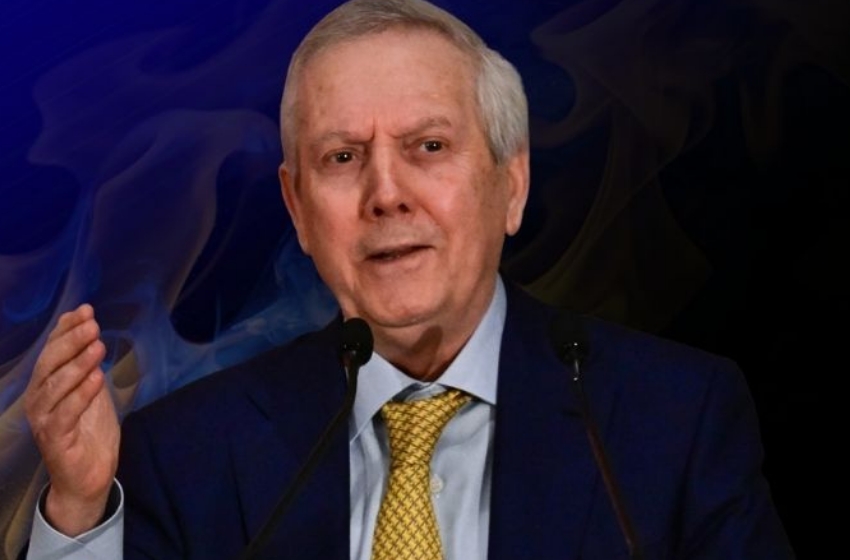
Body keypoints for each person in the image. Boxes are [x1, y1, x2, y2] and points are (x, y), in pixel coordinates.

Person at [21, 0, 795, 558]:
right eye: (343, 157)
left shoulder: (675, 420)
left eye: (428, 146)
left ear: (512, 183)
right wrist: (81, 513)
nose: (386, 194)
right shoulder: (183, 452)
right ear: (298, 208)